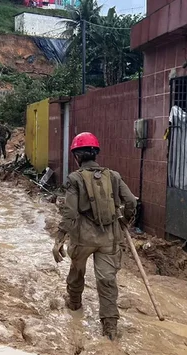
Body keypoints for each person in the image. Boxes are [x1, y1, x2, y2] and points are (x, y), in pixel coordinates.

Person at [52, 132, 137, 341]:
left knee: (77, 272)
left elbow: (70, 213)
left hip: (83, 238)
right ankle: (109, 329)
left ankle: (74, 306)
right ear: (95, 153)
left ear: (77, 156)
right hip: (110, 238)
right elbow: (132, 202)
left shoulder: (75, 179)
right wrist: (126, 220)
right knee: (107, 280)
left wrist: (59, 239)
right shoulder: (114, 176)